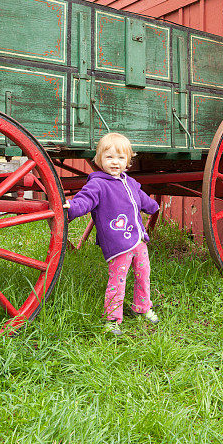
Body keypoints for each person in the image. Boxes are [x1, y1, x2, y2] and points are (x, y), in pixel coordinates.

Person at [63, 133, 161, 335]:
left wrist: (153, 206)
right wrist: (72, 206)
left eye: (120, 158)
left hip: (138, 240)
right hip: (118, 244)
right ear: (99, 160)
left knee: (143, 275)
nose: (115, 162)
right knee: (118, 280)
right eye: (109, 157)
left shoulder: (130, 182)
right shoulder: (98, 184)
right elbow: (86, 199)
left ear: (128, 161)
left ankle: (142, 307)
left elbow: (142, 199)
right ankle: (112, 319)